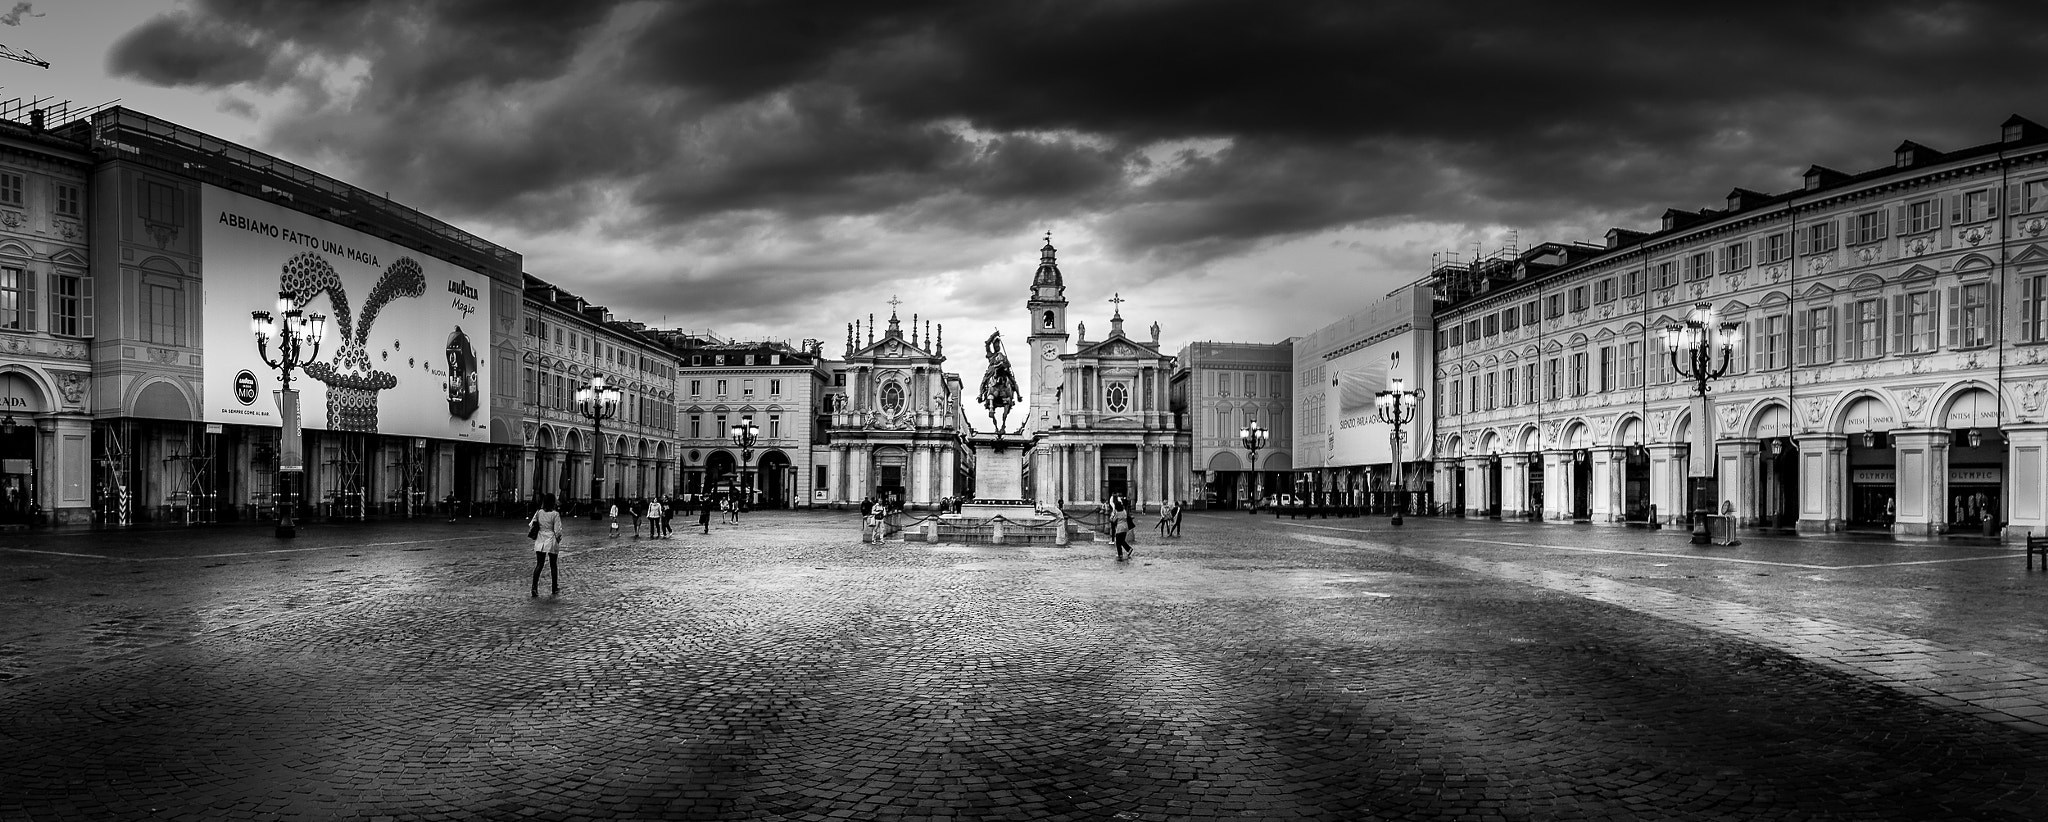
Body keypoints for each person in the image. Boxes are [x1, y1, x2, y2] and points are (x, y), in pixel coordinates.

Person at [528, 493, 565, 597]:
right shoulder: (555, 514)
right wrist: (559, 539)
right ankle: (554, 587)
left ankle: (534, 587)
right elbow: (557, 530)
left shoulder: (539, 512)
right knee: (553, 565)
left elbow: (532, 524)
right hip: (551, 539)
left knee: (539, 564)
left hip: (540, 539)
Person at [1110, 494, 1135, 560]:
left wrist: (1111, 517)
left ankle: (1120, 554)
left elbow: (1113, 520)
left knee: (1118, 542)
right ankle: (1129, 549)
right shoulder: (1124, 511)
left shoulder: (1118, 513)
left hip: (1120, 528)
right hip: (1125, 527)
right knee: (1122, 540)